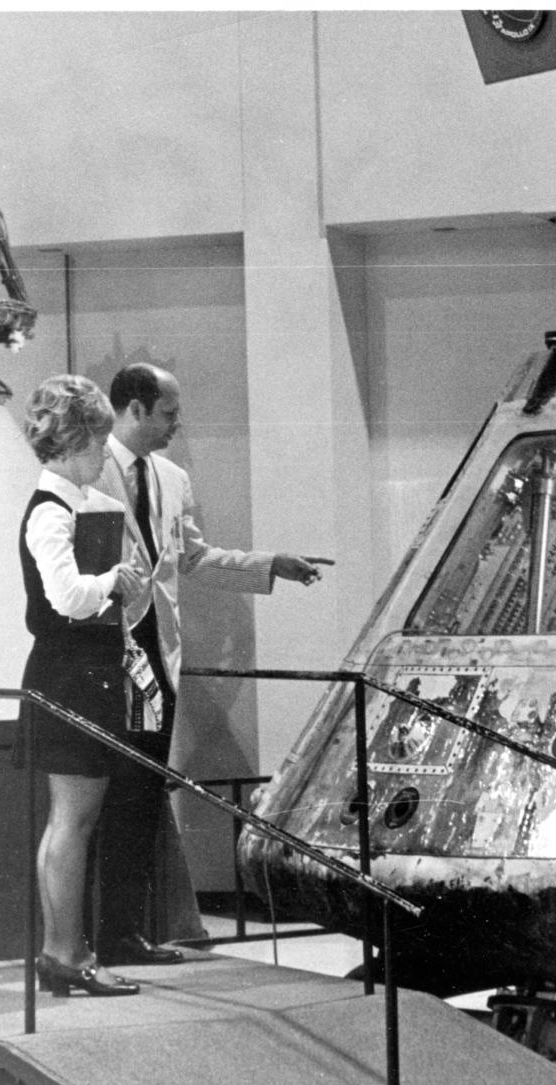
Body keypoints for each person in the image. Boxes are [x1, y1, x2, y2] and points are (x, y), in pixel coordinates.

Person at [89, 361, 328, 966]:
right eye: (168, 412)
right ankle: (98, 934)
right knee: (106, 801)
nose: (176, 424)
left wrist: (269, 563)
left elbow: (192, 558)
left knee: (142, 798)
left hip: (153, 665)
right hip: (100, 663)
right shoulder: (86, 471)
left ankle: (123, 934)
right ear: (136, 409)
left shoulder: (172, 478)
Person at [18, 375, 150, 997]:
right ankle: (65, 953)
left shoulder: (73, 504)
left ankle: (64, 951)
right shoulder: (51, 510)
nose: (105, 456)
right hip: (68, 678)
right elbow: (66, 598)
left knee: (74, 820)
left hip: (80, 676)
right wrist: (113, 581)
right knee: (72, 821)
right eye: (99, 443)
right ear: (75, 443)